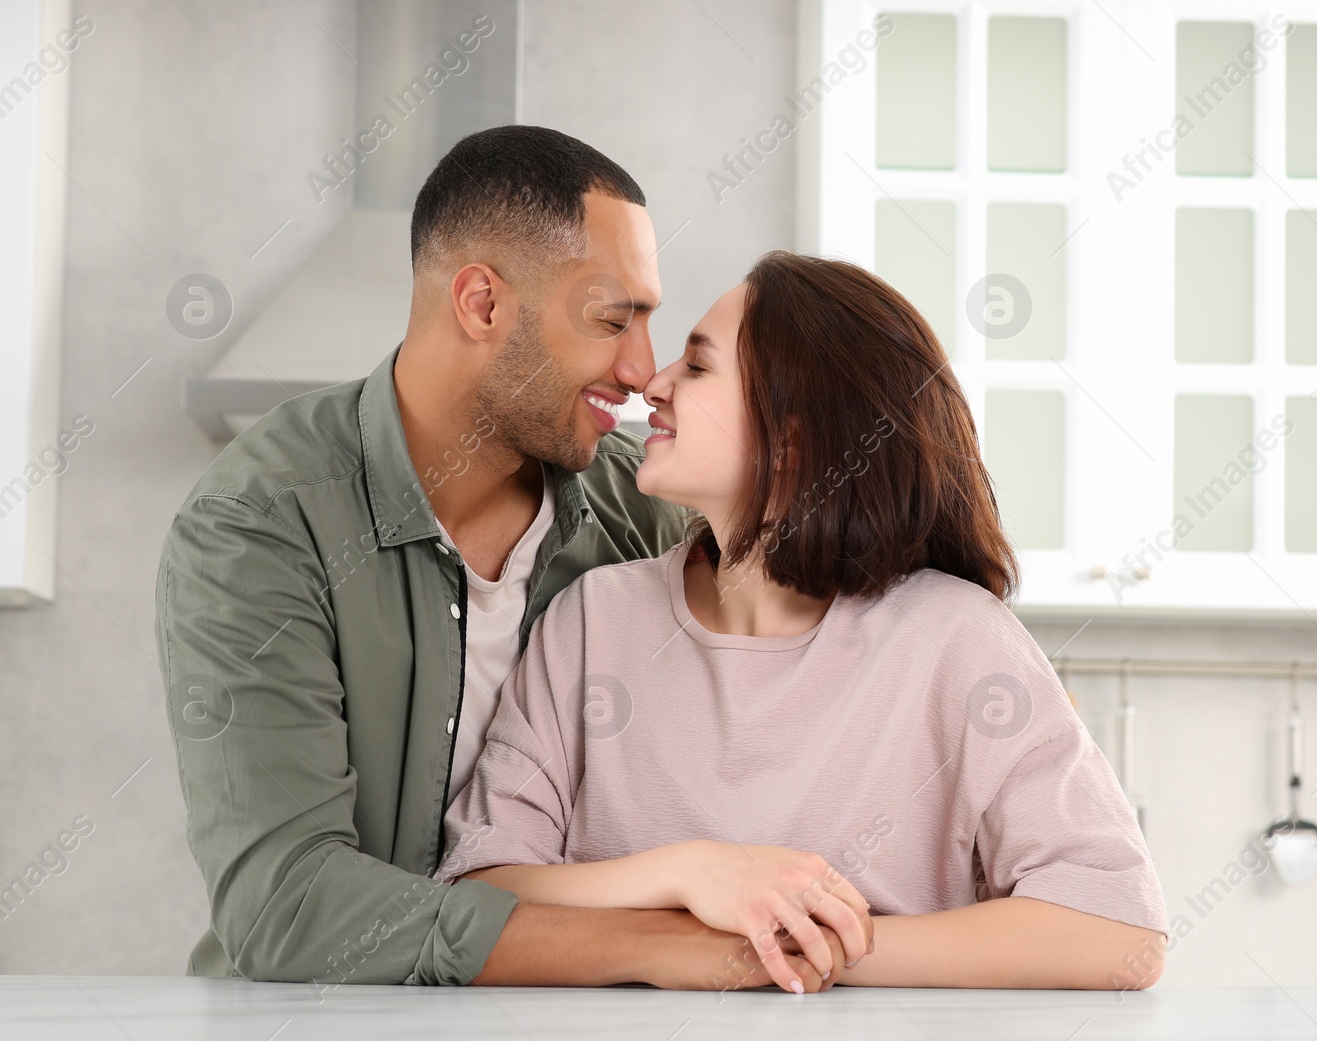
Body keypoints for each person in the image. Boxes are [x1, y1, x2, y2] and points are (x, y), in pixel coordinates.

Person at [155, 126, 864, 990]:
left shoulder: (635, 511)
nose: (645, 370)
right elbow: (288, 906)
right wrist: (658, 945)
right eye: (614, 319)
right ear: (482, 304)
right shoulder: (262, 523)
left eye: (651, 321)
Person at [432, 252, 1170, 991]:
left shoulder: (955, 639)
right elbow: (480, 887)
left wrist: (797, 943)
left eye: (697, 365)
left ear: (790, 439)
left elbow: (1117, 928)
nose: (653, 385)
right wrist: (689, 873)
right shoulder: (591, 621)